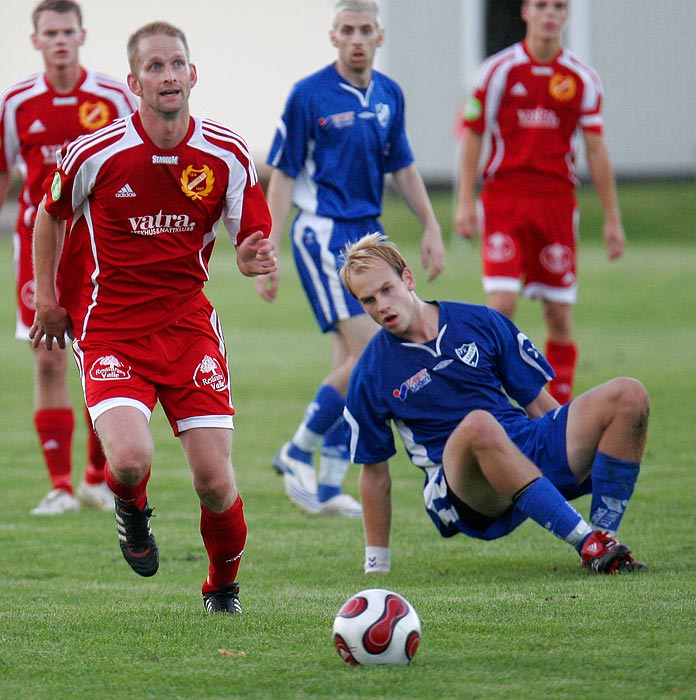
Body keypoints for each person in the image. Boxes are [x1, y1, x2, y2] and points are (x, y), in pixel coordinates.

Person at [30, 21, 276, 613]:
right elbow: (49, 215)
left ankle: (221, 586)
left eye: (177, 65)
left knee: (215, 484)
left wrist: (252, 257)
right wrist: (46, 297)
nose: (168, 76)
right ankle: (130, 506)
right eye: (155, 67)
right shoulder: (96, 152)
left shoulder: (226, 153)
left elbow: (249, 244)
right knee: (131, 459)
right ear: (135, 81)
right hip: (112, 328)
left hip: (189, 331)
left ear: (193, 75)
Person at [341, 233, 648, 575]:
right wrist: (376, 569)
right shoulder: (370, 372)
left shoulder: (479, 321)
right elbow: (374, 475)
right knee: (479, 424)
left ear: (408, 278)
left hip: (522, 446)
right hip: (464, 487)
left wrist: (585, 444)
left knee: (628, 395)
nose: (381, 306)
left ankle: (606, 542)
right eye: (368, 300)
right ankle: (585, 541)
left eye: (387, 290)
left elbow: (542, 409)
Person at [257, 0, 445, 517]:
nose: (357, 38)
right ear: (333, 37)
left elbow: (401, 166)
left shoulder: (389, 94)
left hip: (370, 232)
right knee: (372, 353)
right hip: (323, 235)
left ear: (379, 37)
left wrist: (430, 224)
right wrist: (268, 245)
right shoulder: (308, 95)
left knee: (350, 358)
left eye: (365, 29)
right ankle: (296, 451)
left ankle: (329, 481)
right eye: (348, 30)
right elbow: (284, 174)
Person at [0, 0, 138, 515]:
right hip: (36, 245)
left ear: (83, 36)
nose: (60, 40)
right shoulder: (15, 103)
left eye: (68, 32)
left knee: (104, 356)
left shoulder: (114, 96)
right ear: (35, 40)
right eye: (50, 32)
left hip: (99, 245)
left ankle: (96, 479)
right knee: (48, 359)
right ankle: (59, 486)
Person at [454, 0, 626, 405]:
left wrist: (612, 218)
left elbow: (596, 149)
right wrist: (464, 200)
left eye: (559, 6)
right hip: (505, 198)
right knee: (501, 305)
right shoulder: (498, 70)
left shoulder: (582, 78)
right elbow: (473, 134)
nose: (550, 13)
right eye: (542, 5)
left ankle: (560, 417)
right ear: (526, 11)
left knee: (558, 316)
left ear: (566, 15)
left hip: (556, 203)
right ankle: (491, 401)